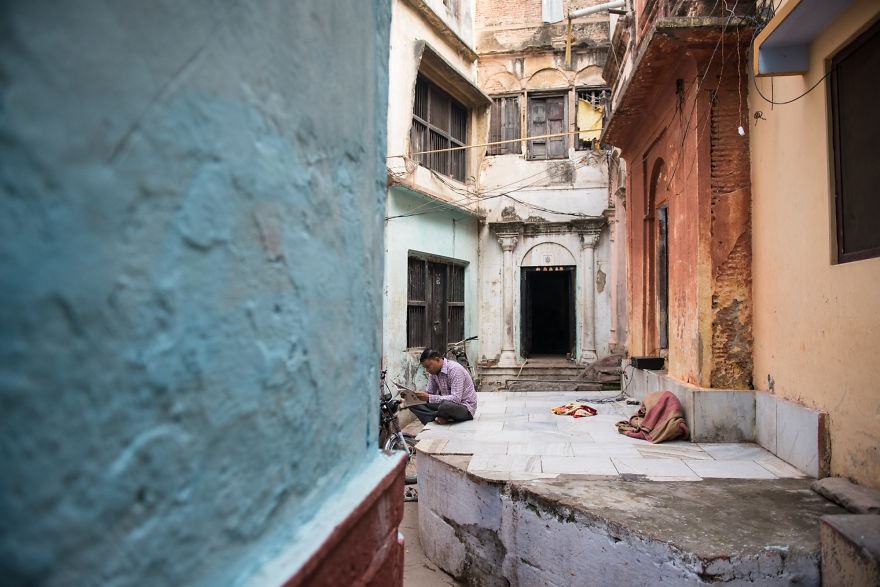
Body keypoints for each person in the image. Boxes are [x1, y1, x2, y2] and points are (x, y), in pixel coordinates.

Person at [410, 348, 477, 425]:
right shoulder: (433, 372)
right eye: (425, 368)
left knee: (445, 406)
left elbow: (456, 399)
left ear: (437, 359)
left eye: (428, 366)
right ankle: (439, 417)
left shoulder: (455, 369)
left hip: (464, 408)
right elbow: (430, 392)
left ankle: (438, 416)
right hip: (445, 405)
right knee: (412, 403)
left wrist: (429, 397)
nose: (427, 370)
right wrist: (413, 396)